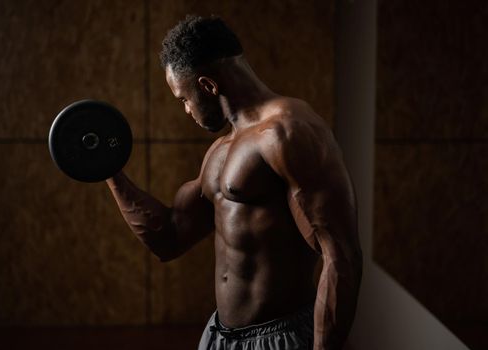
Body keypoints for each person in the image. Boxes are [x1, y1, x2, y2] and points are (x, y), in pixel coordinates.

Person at [106, 15, 362, 350]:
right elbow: (169, 236)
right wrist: (109, 170)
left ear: (208, 86)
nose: (186, 110)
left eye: (183, 98)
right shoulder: (220, 151)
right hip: (218, 337)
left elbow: (341, 256)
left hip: (279, 338)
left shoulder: (288, 133)